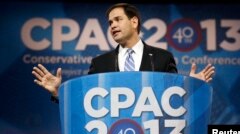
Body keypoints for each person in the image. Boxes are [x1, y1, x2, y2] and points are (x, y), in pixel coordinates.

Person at [32, 3, 215, 102]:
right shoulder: (100, 63)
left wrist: (191, 86)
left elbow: (173, 98)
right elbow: (87, 102)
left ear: (134, 22)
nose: (112, 25)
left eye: (118, 19)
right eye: (110, 22)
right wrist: (58, 93)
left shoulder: (162, 58)